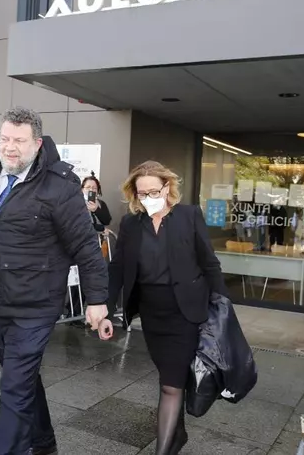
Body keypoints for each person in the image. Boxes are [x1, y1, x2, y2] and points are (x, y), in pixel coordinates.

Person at [0, 107, 111, 454]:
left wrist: (97, 300)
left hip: (35, 306)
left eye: (19, 141)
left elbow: (85, 245)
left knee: (13, 387)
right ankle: (43, 443)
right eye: (5, 139)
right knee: (21, 378)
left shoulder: (60, 184)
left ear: (37, 143)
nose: (10, 147)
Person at [106, 161, 228, 455]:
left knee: (170, 386)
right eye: (142, 193)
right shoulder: (131, 224)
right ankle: (177, 432)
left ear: (167, 187)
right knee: (171, 377)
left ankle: (163, 449)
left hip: (185, 313)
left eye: (154, 191)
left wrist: (223, 309)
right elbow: (118, 268)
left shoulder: (188, 215)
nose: (149, 198)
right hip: (152, 315)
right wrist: (105, 309)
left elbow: (209, 263)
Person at [67, 174, 113, 326]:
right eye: (88, 187)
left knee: (92, 278)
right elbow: (79, 224)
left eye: (94, 188)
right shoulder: (76, 202)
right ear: (81, 189)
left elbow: (107, 219)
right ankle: (73, 312)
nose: (91, 190)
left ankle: (82, 311)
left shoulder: (100, 204)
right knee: (77, 279)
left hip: (96, 247)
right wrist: (100, 228)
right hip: (78, 246)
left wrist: (96, 209)